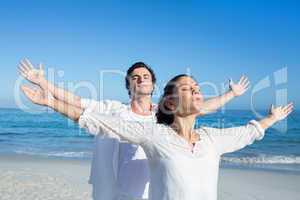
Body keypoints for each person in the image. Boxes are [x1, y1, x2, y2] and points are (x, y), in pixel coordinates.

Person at [20, 60, 251, 200]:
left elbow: (200, 107)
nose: (141, 79)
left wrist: (232, 94)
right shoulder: (113, 110)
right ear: (129, 86)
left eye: (146, 76)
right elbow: (78, 103)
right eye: (135, 77)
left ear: (153, 85)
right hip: (114, 191)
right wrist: (45, 86)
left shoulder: (164, 114)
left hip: (152, 193)